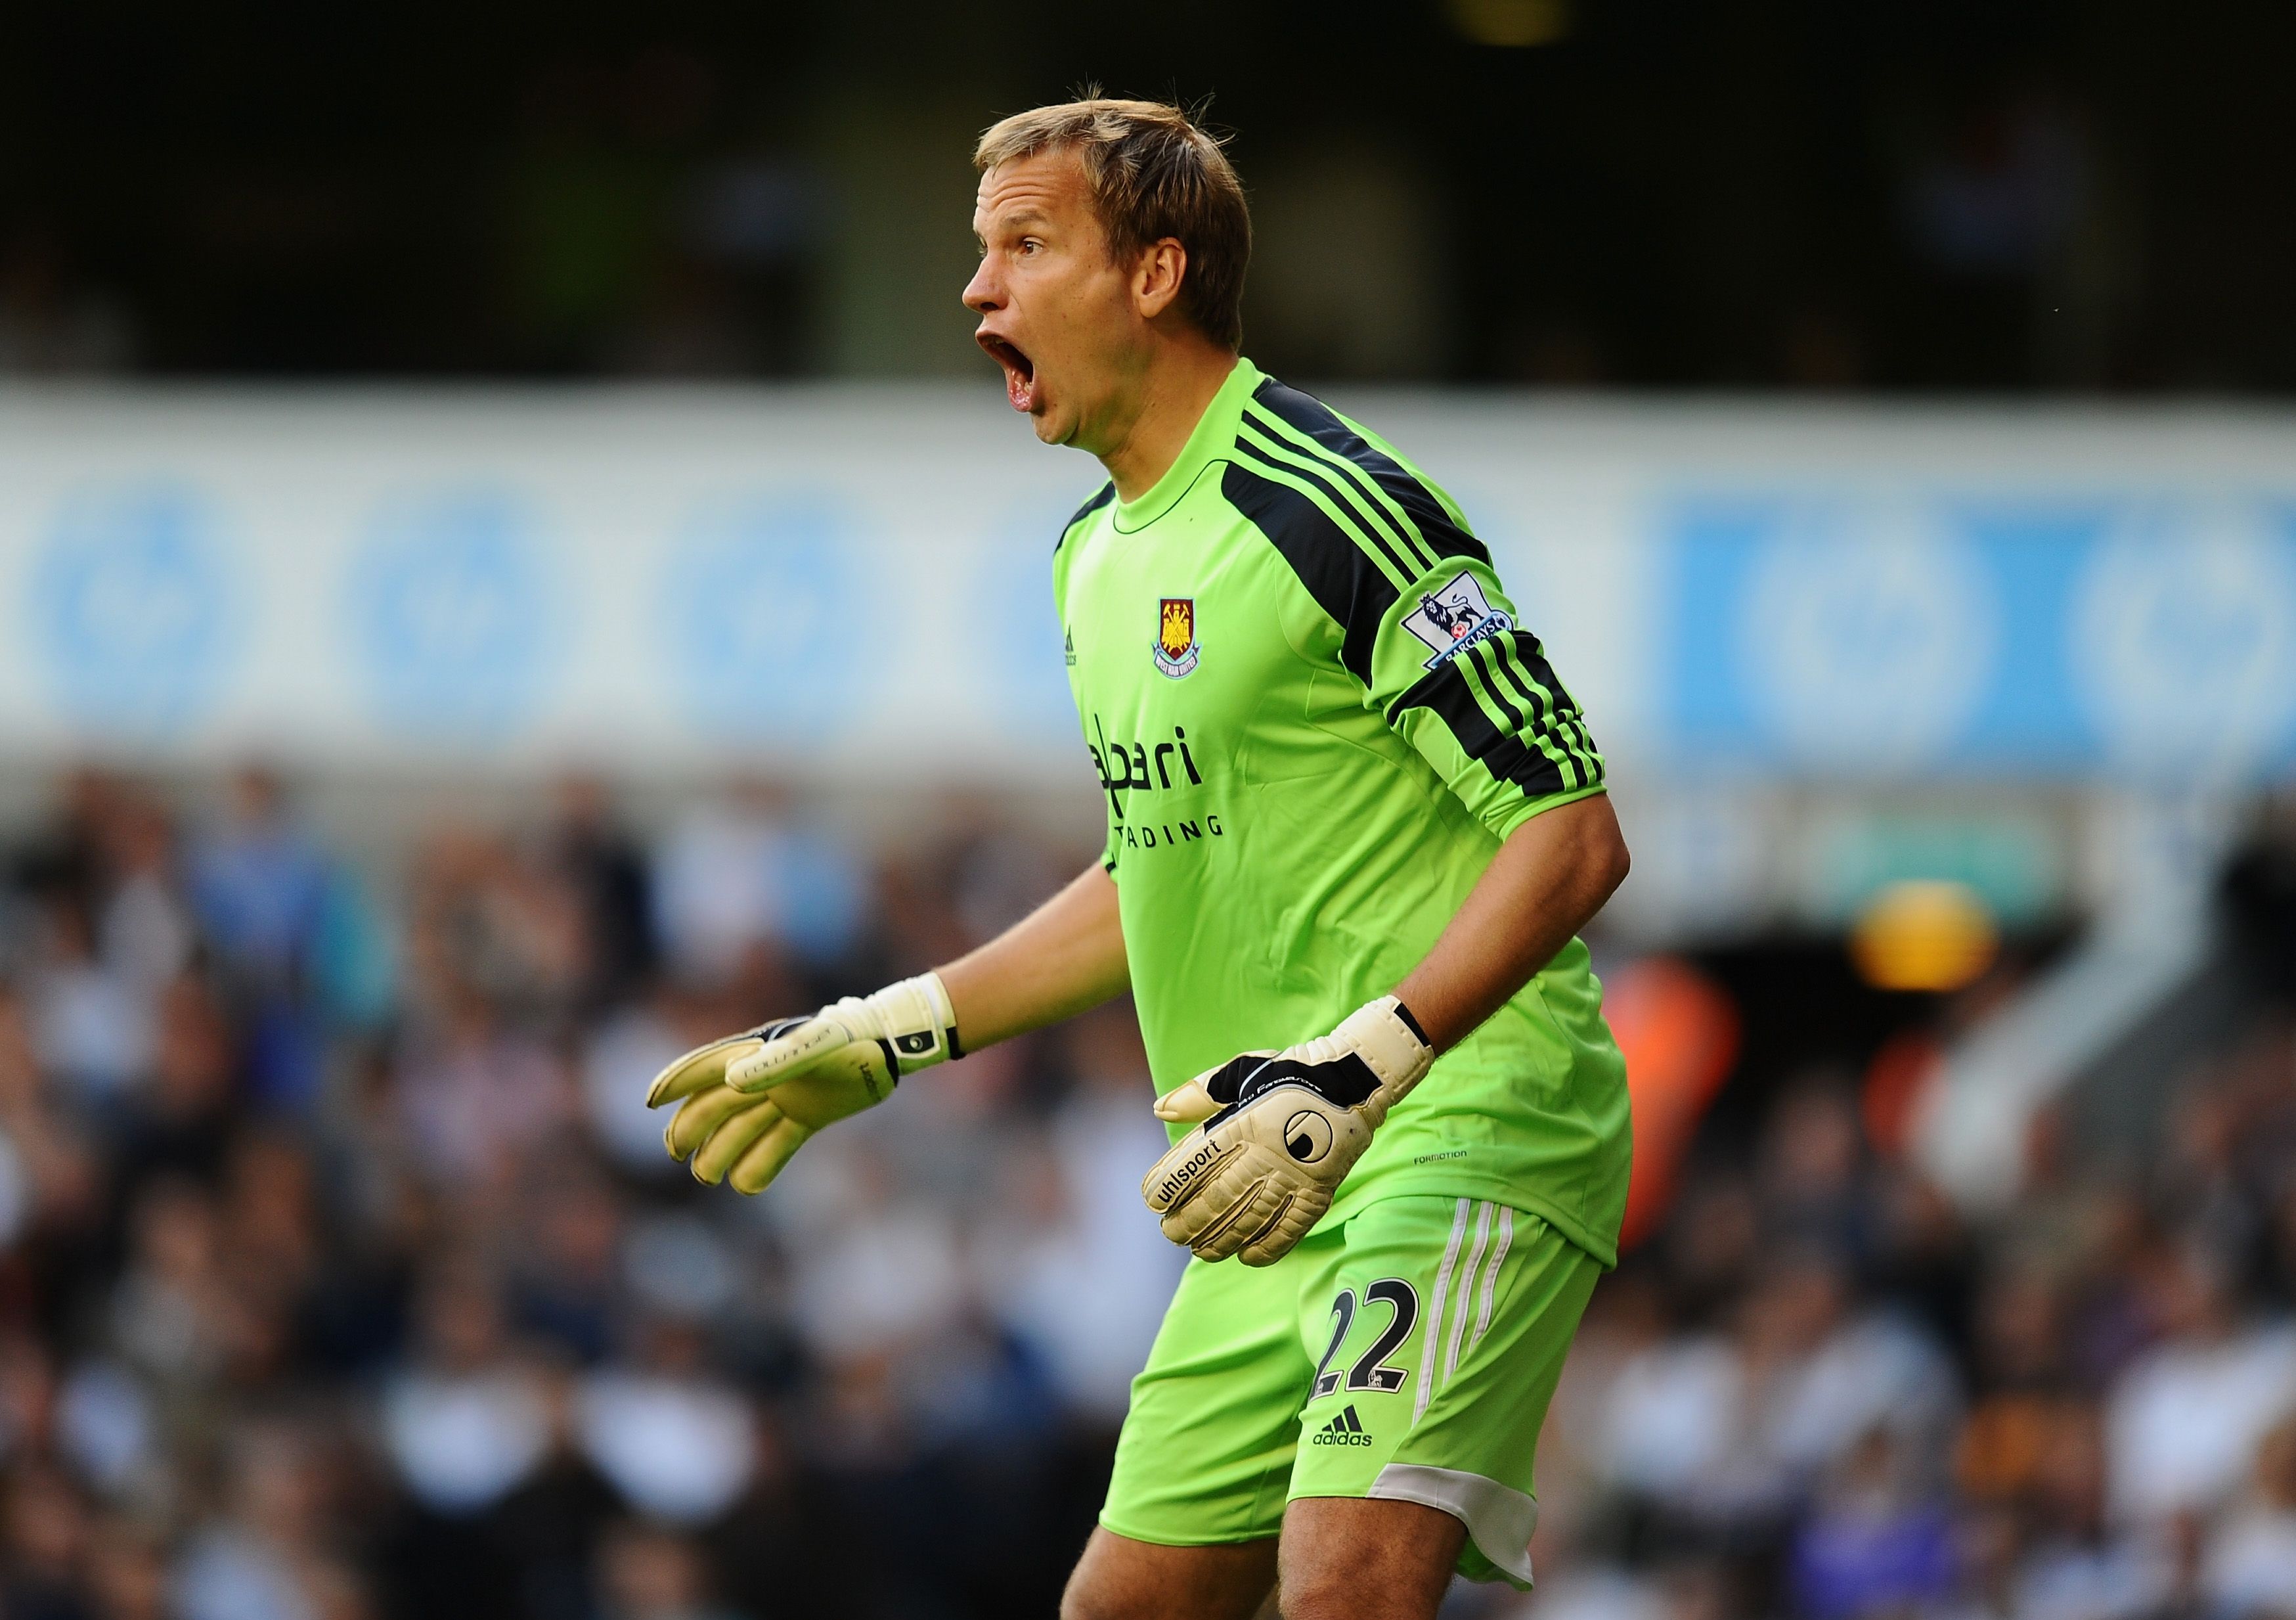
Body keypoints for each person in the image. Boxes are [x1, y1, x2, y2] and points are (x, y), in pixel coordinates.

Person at [646, 98, 1632, 1620]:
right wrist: (890, 1031)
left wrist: (1362, 1070)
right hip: (1266, 1166)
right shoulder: (1089, 556)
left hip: (1454, 1122)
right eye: (981, 253)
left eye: (1025, 247)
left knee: (1343, 1587)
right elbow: (1151, 870)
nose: (978, 290)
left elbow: (1569, 832)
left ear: (1155, 274)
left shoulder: (1328, 502)